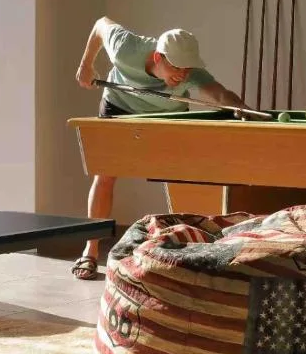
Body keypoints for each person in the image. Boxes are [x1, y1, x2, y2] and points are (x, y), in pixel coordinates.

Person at [71, 16, 247, 280]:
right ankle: (91, 250)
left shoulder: (191, 73)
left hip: (168, 116)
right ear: (157, 57)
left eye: (188, 69)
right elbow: (99, 25)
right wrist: (86, 65)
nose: (183, 74)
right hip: (118, 107)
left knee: (180, 178)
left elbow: (221, 95)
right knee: (105, 176)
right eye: (176, 67)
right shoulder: (127, 47)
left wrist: (240, 107)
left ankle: (187, 252)